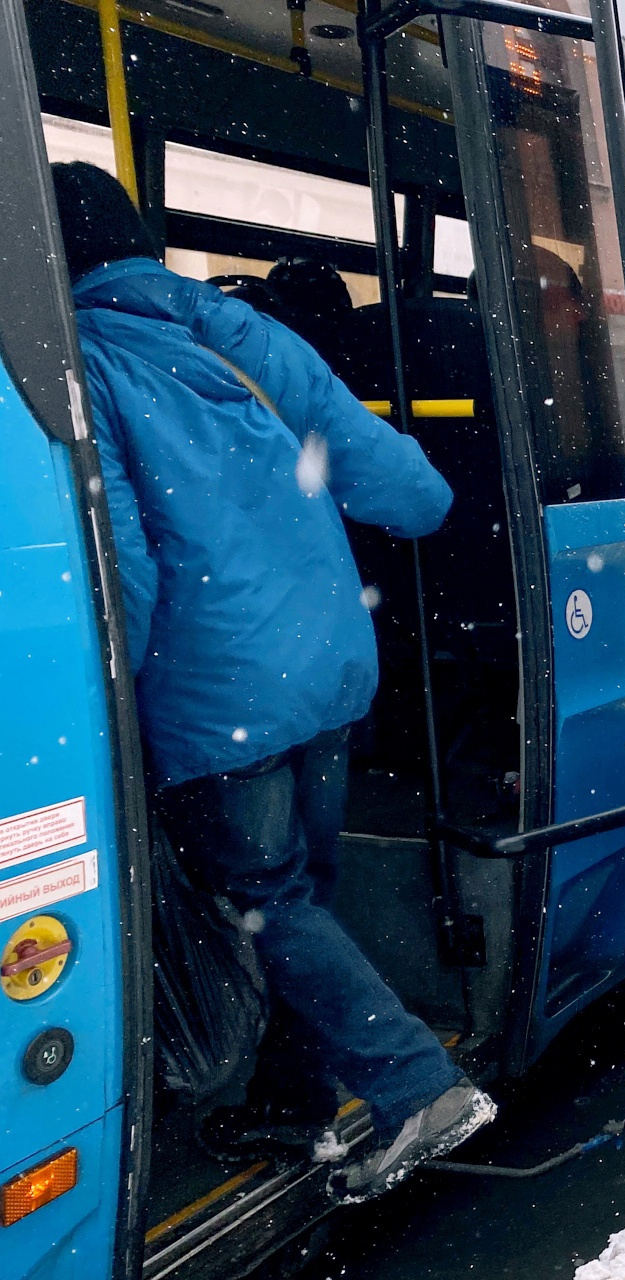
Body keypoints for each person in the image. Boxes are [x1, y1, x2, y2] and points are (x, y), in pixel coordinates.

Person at [51, 162, 491, 1204]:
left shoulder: (82, 364)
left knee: (265, 900)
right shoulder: (239, 332)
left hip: (218, 693)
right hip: (330, 667)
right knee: (301, 903)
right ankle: (300, 1110)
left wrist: (109, 706)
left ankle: (417, 1085)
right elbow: (415, 493)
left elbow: (126, 570)